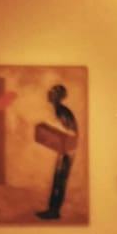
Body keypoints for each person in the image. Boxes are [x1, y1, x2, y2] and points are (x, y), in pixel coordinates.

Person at [36, 84, 78, 220]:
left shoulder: (62, 110)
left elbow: (70, 131)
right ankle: (53, 210)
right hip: (65, 149)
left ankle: (54, 212)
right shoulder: (59, 110)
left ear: (58, 96)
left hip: (67, 151)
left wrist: (49, 128)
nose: (49, 93)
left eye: (53, 92)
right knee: (58, 180)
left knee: (59, 180)